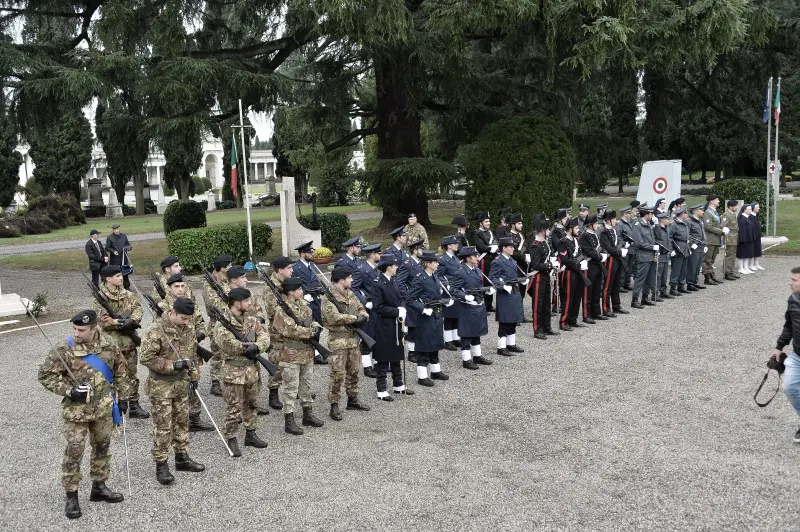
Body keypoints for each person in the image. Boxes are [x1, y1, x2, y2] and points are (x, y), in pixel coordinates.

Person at [38, 310, 128, 519]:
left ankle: (99, 486)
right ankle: (71, 495)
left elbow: (121, 370)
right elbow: (44, 375)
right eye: (75, 329)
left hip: (104, 408)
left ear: (94, 328)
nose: (77, 333)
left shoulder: (108, 344)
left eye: (82, 330)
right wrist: (69, 390)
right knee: (74, 452)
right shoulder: (65, 348)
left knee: (102, 448)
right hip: (76, 412)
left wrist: (123, 397)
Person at [139, 297, 205, 485]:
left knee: (182, 422)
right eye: (183, 318)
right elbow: (146, 358)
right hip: (161, 386)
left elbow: (191, 354)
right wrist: (173, 365)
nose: (186, 322)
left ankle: (182, 457)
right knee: (163, 427)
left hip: (181, 384)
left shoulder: (188, 328)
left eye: (189, 319)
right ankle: (161, 464)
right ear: (173, 313)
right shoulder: (156, 331)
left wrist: (193, 376)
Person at [211, 287, 270, 457]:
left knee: (252, 403)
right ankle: (231, 438)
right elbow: (227, 344)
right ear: (237, 303)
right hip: (233, 372)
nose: (251, 303)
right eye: (247, 301)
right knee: (233, 407)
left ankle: (251, 433)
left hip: (251, 370)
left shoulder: (251, 320)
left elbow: (265, 336)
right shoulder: (222, 324)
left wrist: (258, 346)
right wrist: (247, 347)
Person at [157, 273, 213, 432]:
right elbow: (162, 330)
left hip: (191, 350)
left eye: (182, 286)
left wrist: (200, 334)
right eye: (176, 286)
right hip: (173, 352)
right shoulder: (163, 306)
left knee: (193, 382)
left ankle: (195, 418)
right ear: (169, 288)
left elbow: (200, 323)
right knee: (175, 386)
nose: (180, 289)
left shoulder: (190, 305)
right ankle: (177, 421)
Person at [272, 277, 325, 435]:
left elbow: (312, 320)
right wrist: (310, 331)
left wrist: (316, 327)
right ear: (290, 292)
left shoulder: (303, 305)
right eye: (299, 289)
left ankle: (307, 414)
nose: (302, 292)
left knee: (306, 385)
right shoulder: (281, 311)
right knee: (291, 389)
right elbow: (291, 330)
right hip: (291, 356)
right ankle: (289, 420)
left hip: (307, 353)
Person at [95, 265, 148, 418]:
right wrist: (121, 323)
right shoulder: (100, 298)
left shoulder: (127, 294)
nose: (120, 278)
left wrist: (132, 320)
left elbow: (138, 307)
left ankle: (134, 405)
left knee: (132, 374)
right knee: (111, 375)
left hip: (129, 342)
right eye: (117, 276)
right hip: (111, 345)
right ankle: (112, 405)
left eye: (120, 276)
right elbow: (103, 321)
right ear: (108, 279)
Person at [322, 265, 371, 420]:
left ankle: (353, 399)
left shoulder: (350, 293)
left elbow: (362, 308)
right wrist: (356, 318)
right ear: (342, 280)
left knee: (354, 371)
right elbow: (333, 318)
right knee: (337, 375)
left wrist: (362, 315)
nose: (352, 280)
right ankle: (334, 405)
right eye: (350, 277)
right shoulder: (328, 297)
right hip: (338, 341)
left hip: (353, 339)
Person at [370, 254, 413, 400]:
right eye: (395, 266)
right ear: (389, 267)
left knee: (396, 354)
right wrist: (396, 311)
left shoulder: (393, 281)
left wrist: (402, 308)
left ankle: (398, 385)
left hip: (397, 323)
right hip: (384, 325)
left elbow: (401, 298)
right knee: (383, 357)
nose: (397, 269)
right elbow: (378, 307)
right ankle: (381, 389)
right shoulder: (377, 283)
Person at [406, 250, 451, 385]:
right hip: (425, 316)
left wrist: (446, 301)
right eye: (435, 262)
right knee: (425, 345)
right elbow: (409, 299)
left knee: (435, 343)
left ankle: (435, 371)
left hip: (436, 315)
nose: (438, 264)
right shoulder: (420, 278)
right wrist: (422, 309)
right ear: (427, 263)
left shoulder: (434, 277)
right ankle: (422, 376)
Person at [451, 246, 493, 368]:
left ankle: (477, 355)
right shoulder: (461, 271)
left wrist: (487, 291)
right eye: (475, 256)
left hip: (478, 303)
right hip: (467, 306)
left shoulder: (477, 270)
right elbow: (454, 289)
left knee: (476, 330)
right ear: (468, 258)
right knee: (467, 332)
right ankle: (466, 359)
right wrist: (464, 296)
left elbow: (479, 286)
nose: (477, 258)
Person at [262, 256, 294, 410]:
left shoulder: (287, 284)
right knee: (276, 362)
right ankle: (273, 394)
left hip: (292, 330)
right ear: (280, 270)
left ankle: (295, 390)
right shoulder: (271, 288)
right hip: (278, 331)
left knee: (293, 360)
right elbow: (272, 312)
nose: (292, 271)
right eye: (289, 268)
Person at [774, 267, 800, 442]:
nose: (790, 283)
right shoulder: (793, 300)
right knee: (790, 387)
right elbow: (789, 326)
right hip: (798, 355)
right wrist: (779, 346)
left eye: (794, 280)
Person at [203, 254, 233, 397]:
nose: (231, 268)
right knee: (217, 354)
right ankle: (215, 382)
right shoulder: (210, 285)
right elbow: (216, 305)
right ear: (222, 268)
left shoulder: (225, 281)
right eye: (229, 266)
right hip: (217, 323)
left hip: (230, 323)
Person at [489, 237, 526, 354]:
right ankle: (501, 346)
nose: (513, 248)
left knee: (513, 319)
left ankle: (511, 344)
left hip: (514, 292)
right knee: (505, 320)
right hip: (505, 293)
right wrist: (503, 286)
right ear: (504, 248)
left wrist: (522, 280)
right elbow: (492, 278)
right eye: (510, 246)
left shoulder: (511, 260)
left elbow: (513, 277)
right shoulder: (497, 261)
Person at [527, 216, 558, 339]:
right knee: (537, 304)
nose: (549, 231)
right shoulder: (536, 245)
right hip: (538, 277)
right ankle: (537, 329)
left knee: (546, 303)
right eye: (547, 229)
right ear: (542, 230)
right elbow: (535, 264)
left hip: (545, 275)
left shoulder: (544, 242)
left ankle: (546, 326)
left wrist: (552, 265)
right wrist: (550, 265)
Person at [357, 243, 383, 378]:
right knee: (367, 338)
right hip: (368, 309)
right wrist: (365, 302)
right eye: (379, 253)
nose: (381, 255)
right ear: (372, 255)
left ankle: (378, 363)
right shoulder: (361, 269)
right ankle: (367, 367)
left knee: (378, 336)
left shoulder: (378, 269)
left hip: (378, 308)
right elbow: (354, 288)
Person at [557, 218, 587, 329]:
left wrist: (583, 261)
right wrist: (578, 266)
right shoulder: (563, 242)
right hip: (569, 272)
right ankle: (563, 321)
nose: (578, 229)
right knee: (568, 297)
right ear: (570, 229)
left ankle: (573, 319)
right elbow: (564, 259)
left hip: (578, 271)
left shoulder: (576, 240)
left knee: (577, 296)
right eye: (576, 228)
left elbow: (580, 253)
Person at [398, 239, 426, 363]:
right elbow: (400, 283)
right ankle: (412, 352)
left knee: (421, 325)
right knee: (413, 327)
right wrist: (409, 295)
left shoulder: (422, 263)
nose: (423, 251)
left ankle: (420, 348)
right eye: (421, 249)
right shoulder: (407, 264)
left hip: (422, 299)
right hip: (413, 299)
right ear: (415, 250)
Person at [599, 210, 629, 317]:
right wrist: (620, 251)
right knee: (608, 285)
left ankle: (616, 305)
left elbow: (619, 240)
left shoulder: (613, 230)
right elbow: (608, 248)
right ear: (608, 220)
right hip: (610, 259)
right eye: (614, 219)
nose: (616, 221)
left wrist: (622, 246)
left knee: (616, 284)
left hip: (617, 258)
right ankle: (606, 308)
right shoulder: (604, 232)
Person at [578, 214, 607, 323]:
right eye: (595, 223)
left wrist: (603, 254)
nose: (597, 225)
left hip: (597, 265)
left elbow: (600, 247)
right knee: (588, 292)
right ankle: (587, 315)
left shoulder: (595, 235)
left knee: (596, 290)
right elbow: (588, 251)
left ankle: (596, 312)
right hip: (590, 265)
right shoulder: (584, 236)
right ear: (590, 225)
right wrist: (600, 256)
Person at [437, 235, 462, 351]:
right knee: (448, 316)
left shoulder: (455, 258)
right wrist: (446, 283)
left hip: (455, 289)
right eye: (455, 243)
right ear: (449, 246)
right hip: (447, 290)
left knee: (456, 314)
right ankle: (448, 340)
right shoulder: (442, 260)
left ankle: (455, 337)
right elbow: (438, 275)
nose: (457, 245)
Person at [631, 206, 658, 309]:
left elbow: (652, 238)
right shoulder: (638, 225)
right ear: (646, 214)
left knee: (649, 278)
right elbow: (639, 243)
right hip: (643, 256)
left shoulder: (648, 225)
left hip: (651, 255)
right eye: (651, 214)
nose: (652, 216)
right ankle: (635, 300)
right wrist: (652, 247)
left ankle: (645, 298)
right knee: (640, 279)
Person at [473, 212, 499, 312]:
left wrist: (495, 247)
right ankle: (483, 304)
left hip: (492, 259)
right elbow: (480, 246)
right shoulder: (476, 233)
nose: (489, 223)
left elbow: (496, 241)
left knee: (491, 281)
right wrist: (490, 248)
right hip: (484, 260)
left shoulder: (490, 232)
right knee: (484, 282)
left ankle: (489, 304)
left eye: (489, 221)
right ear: (480, 223)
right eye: (486, 221)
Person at [702, 194, 726, 284]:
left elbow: (716, 224)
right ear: (711, 201)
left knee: (712, 259)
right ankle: (707, 277)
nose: (718, 201)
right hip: (710, 239)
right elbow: (708, 227)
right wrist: (721, 231)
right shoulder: (708, 213)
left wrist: (723, 228)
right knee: (707, 259)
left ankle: (711, 275)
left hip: (715, 239)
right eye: (717, 200)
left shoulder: (715, 212)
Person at [686, 204, 709, 291]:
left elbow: (703, 234)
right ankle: (690, 283)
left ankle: (695, 281)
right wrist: (691, 244)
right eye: (701, 210)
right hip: (694, 246)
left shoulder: (700, 220)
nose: (703, 211)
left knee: (698, 265)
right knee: (692, 265)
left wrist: (705, 244)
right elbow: (687, 235)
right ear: (696, 210)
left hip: (701, 245)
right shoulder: (689, 221)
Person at [668, 207, 690, 297]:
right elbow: (669, 238)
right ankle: (673, 287)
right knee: (676, 269)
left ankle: (681, 285)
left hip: (685, 248)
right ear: (682, 214)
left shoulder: (685, 223)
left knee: (683, 269)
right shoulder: (674, 224)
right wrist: (672, 249)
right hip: (677, 248)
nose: (687, 215)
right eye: (686, 213)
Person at [653, 212, 673, 301]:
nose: (669, 221)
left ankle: (663, 291)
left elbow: (669, 240)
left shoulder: (667, 228)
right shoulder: (657, 229)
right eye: (667, 219)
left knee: (664, 275)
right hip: (660, 254)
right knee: (658, 275)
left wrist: (670, 249)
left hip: (666, 254)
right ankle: (655, 293)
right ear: (662, 220)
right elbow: (655, 241)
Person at [105, 224, 132, 289]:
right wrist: (113, 251)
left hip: (124, 258)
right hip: (115, 259)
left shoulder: (124, 236)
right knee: (115, 274)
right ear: (113, 230)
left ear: (119, 228)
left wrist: (128, 248)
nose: (116, 231)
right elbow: (107, 247)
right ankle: (116, 288)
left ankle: (127, 287)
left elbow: (128, 244)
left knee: (125, 273)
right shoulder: (110, 237)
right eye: (114, 230)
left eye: (117, 229)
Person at [619, 206, 637, 290]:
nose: (631, 215)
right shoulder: (620, 224)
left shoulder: (629, 223)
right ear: (625, 214)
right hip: (625, 249)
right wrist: (624, 244)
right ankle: (621, 284)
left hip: (631, 248)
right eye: (629, 213)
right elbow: (618, 237)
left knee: (629, 267)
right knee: (624, 267)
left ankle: (626, 283)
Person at [720, 199, 740, 281]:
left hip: (734, 237)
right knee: (729, 255)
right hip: (730, 237)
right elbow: (722, 226)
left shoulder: (732, 214)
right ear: (730, 207)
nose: (737, 207)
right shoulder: (727, 215)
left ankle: (731, 271)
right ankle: (727, 272)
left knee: (733, 255)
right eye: (735, 206)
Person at [737, 203, 756, 274]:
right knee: (742, 254)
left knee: (747, 254)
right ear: (745, 210)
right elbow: (742, 231)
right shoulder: (742, 219)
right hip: (744, 240)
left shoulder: (747, 218)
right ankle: (741, 268)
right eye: (749, 209)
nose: (751, 210)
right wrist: (742, 240)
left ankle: (746, 267)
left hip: (749, 239)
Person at [751, 204, 765, 270]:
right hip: (753, 236)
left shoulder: (755, 216)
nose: (759, 208)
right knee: (753, 251)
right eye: (757, 207)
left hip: (757, 236)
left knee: (758, 250)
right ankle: (751, 264)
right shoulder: (751, 216)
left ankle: (756, 264)